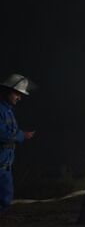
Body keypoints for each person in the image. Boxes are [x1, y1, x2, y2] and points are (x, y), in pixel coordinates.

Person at [0, 74, 36, 212]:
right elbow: (2, 134)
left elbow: (10, 131)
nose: (19, 98)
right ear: (8, 90)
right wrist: (22, 135)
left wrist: (21, 133)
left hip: (5, 165)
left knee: (5, 199)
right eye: (17, 94)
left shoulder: (8, 111)